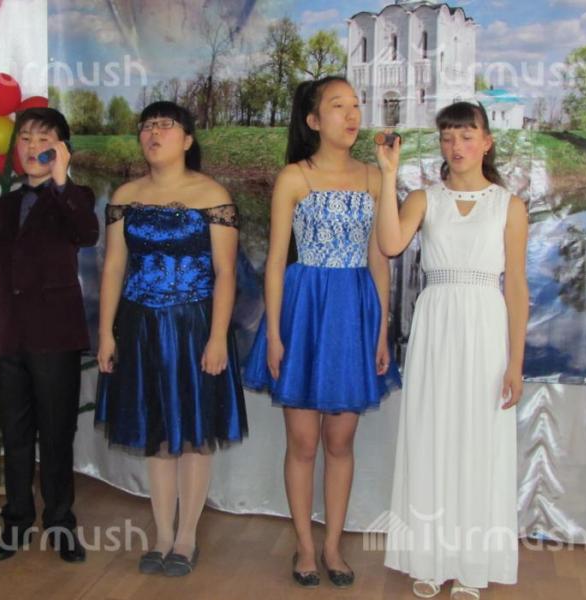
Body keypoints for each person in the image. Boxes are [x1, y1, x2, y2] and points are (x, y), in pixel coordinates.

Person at [244, 76, 401, 588]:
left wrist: (381, 330)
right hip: (304, 309)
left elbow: (380, 260)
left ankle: (333, 545)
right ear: (313, 120)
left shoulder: (374, 177)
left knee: (340, 440)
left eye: (356, 105)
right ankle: (304, 547)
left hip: (353, 313)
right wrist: (273, 333)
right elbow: (275, 262)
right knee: (303, 441)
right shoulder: (295, 177)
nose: (352, 115)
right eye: (338, 106)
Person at [376, 101, 529, 599]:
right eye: (447, 137)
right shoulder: (425, 198)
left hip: (485, 327)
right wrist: (388, 176)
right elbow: (391, 243)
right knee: (431, 434)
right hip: (436, 324)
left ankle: (471, 562)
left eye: (466, 135)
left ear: (486, 141)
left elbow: (516, 287)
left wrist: (515, 363)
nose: (456, 146)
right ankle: (429, 556)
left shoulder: (509, 206)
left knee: (478, 441)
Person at [95, 101, 247, 577]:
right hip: (139, 327)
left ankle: (186, 538)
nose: (153, 133)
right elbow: (113, 268)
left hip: (194, 326)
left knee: (194, 434)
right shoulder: (126, 195)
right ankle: (162, 535)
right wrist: (106, 333)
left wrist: (218, 337)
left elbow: (226, 273)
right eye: (146, 126)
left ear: (187, 140)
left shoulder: (212, 194)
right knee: (156, 433)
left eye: (165, 125)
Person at [0, 107, 99, 563]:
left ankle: (61, 523)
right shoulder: (2, 207)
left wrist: (62, 180)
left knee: (56, 434)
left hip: (54, 337)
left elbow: (86, 233)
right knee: (16, 434)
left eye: (43, 139)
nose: (31, 147)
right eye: (24, 137)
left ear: (61, 148)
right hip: (7, 338)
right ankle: (17, 522)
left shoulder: (75, 197)